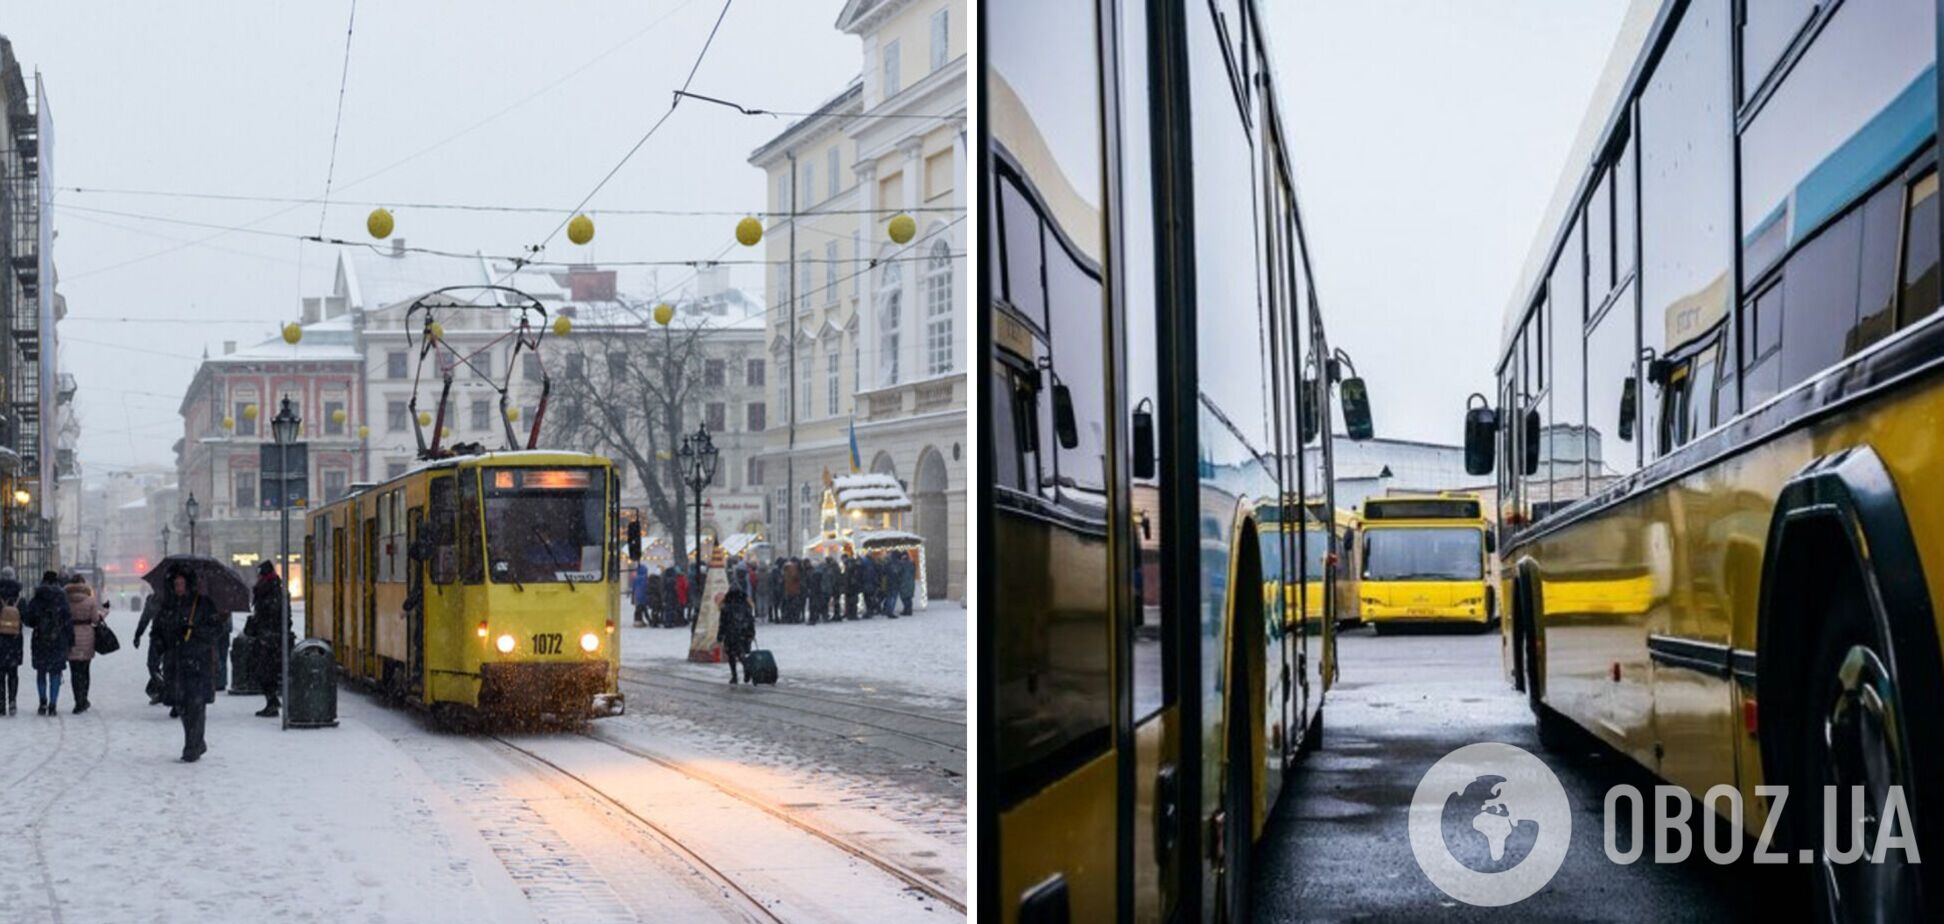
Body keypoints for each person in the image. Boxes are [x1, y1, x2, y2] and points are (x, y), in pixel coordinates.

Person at [155, 564, 223, 762]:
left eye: (181, 583)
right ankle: (196, 741)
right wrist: (160, 644)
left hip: (197, 661)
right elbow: (157, 631)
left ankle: (192, 746)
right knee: (182, 704)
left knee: (196, 703)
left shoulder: (203, 604)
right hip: (175, 662)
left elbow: (216, 629)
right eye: (176, 583)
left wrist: (195, 632)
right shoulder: (168, 606)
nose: (178, 587)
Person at [23, 571, 72, 716]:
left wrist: (39, 623)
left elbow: (28, 620)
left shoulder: (37, 598)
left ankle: (42, 701)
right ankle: (53, 704)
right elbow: (68, 621)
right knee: (55, 672)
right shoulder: (61, 599)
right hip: (58, 640)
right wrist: (70, 639)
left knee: (41, 671)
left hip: (40, 640)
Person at [244, 561, 288, 718]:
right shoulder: (267, 589)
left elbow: (275, 615)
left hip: (270, 639)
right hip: (267, 637)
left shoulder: (271, 591)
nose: (257, 578)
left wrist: (262, 626)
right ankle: (272, 701)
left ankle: (272, 702)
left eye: (259, 575)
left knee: (265, 671)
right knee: (262, 670)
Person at [64, 574, 103, 714]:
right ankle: (84, 699)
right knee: (85, 671)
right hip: (87, 636)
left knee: (74, 672)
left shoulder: (65, 599)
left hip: (71, 636)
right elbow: (95, 620)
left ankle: (77, 701)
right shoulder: (90, 600)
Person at [134, 590, 167, 704]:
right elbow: (145, 619)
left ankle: (163, 690)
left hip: (172, 637)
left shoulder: (174, 599)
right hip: (157, 636)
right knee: (152, 665)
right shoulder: (151, 600)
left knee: (168, 665)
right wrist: (138, 634)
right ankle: (161, 689)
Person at [718, 587, 756, 685]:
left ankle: (734, 676)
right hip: (745, 633)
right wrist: (752, 633)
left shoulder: (726, 607)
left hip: (731, 634)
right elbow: (751, 620)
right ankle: (746, 666)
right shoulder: (746, 606)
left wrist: (720, 636)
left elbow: (722, 623)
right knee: (741, 652)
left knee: (731, 655)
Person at [0, 568, 20, 716]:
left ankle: (1, 703)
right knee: (13, 673)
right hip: (15, 640)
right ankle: (12, 700)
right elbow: (26, 617)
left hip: (0, 639)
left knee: (0, 674)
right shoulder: (19, 596)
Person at [630, 563, 651, 627]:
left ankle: (638, 621)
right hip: (644, 596)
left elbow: (633, 589)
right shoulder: (646, 578)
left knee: (638, 610)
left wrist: (633, 598)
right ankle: (649, 621)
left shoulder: (635, 579)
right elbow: (647, 587)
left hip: (637, 597)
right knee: (644, 610)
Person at [897, 551, 916, 616]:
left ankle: (907, 610)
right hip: (910, 583)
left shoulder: (902, 564)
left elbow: (899, 572)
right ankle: (908, 610)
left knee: (905, 598)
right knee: (908, 598)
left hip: (904, 583)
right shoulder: (911, 563)